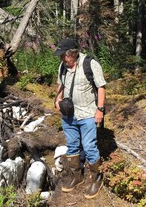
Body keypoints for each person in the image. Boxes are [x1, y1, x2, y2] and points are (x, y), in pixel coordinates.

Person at [53, 38, 106, 199]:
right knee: (72, 145)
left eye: (64, 56)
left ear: (73, 53)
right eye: (61, 56)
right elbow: (61, 84)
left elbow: (101, 87)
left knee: (89, 147)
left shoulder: (90, 64)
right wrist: (58, 99)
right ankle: (77, 177)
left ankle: (96, 179)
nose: (62, 59)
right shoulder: (63, 66)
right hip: (68, 115)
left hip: (88, 113)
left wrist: (100, 110)